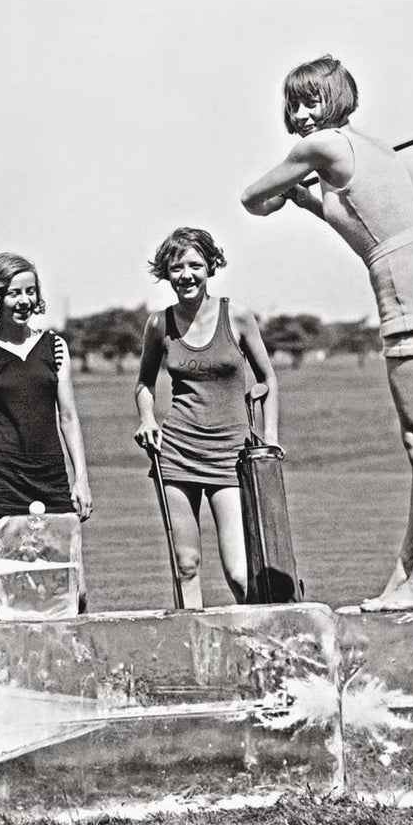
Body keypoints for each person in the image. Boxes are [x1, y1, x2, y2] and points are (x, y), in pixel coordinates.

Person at [241, 55, 413, 609]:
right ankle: (408, 576)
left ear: (337, 98)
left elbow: (251, 200)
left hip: (411, 291)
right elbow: (362, 222)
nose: (301, 114)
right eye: (294, 104)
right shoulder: (369, 148)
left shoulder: (318, 148)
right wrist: (308, 199)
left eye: (312, 100)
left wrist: (284, 190)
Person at [134, 227, 279, 608]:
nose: (186, 275)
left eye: (195, 265)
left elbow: (268, 379)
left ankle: (255, 637)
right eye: (176, 267)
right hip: (177, 454)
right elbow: (144, 383)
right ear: (166, 273)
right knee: (186, 565)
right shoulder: (158, 324)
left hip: (231, 456)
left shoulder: (238, 317)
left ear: (211, 267)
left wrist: (270, 438)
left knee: (240, 573)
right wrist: (147, 419)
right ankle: (193, 642)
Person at [0, 253, 92, 613]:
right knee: (4, 592)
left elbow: (68, 418)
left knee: (73, 592)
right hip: (0, 479)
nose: (25, 300)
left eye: (30, 291)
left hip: (51, 476)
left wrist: (81, 478)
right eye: (14, 293)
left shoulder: (55, 346)